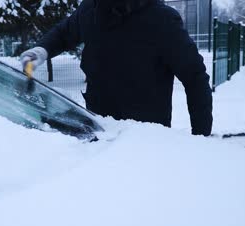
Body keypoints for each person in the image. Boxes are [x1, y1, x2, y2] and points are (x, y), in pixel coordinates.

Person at [20, 0, 213, 136]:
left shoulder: (161, 19)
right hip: (98, 133)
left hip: (146, 139)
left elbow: (194, 77)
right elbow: (64, 33)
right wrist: (41, 50)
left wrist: (201, 137)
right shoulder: (91, 9)